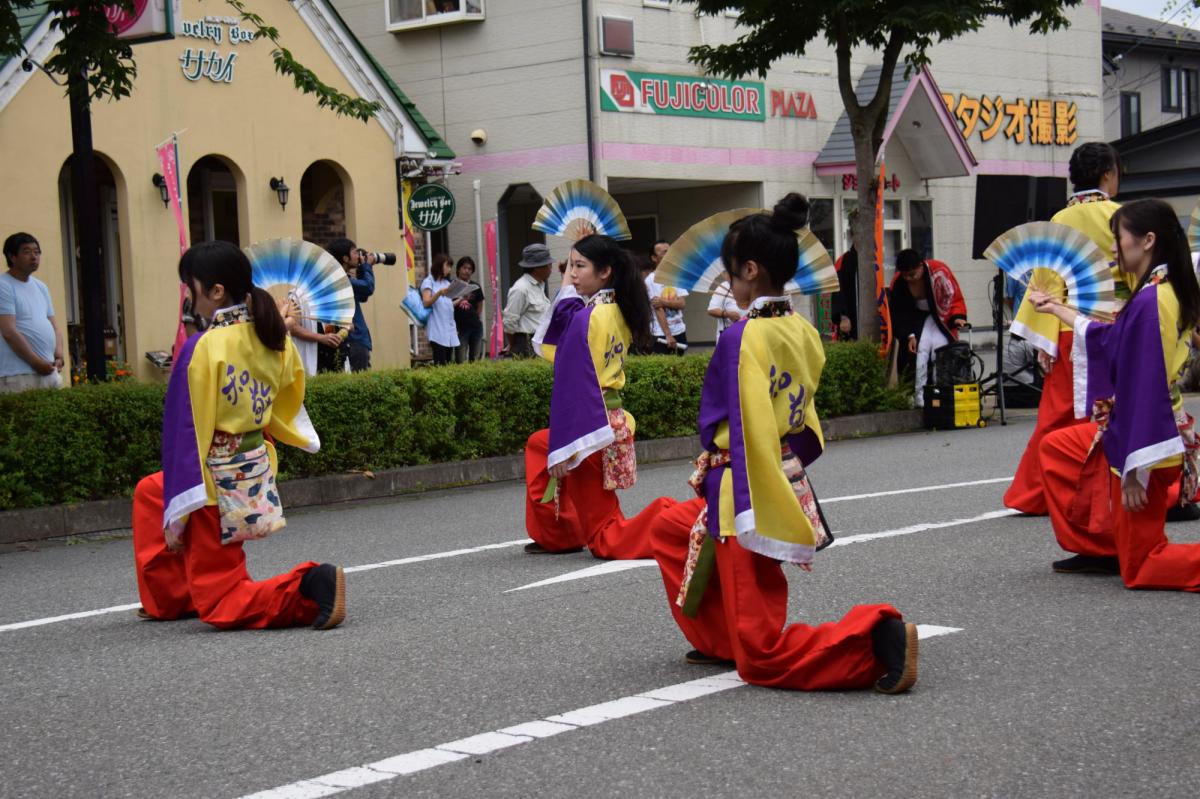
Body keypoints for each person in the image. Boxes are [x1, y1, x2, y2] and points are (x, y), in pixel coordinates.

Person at [647, 194, 918, 693]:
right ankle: (721, 639)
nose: (728, 284)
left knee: (763, 658)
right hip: (777, 466)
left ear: (750, 270)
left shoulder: (742, 338)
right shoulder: (802, 329)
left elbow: (747, 426)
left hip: (746, 482)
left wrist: (752, 503)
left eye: (731, 274)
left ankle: (873, 638)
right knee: (669, 528)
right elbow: (802, 416)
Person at [131, 241, 345, 630]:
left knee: (224, 602)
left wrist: (177, 517)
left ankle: (308, 587)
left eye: (189, 287)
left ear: (215, 291)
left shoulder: (203, 347)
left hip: (212, 482)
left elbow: (186, 435)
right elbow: (287, 406)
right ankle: (172, 598)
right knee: (150, 492)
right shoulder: (274, 341)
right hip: (251, 467)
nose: (188, 297)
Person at [1032, 198, 1200, 590]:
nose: (1111, 246)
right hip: (1154, 430)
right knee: (1057, 448)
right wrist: (1057, 309)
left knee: (1143, 566)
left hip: (1151, 440)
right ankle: (1105, 546)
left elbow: (1146, 388)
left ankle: (1121, 549)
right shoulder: (1160, 289)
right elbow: (1107, 339)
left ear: (1146, 241)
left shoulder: (1152, 300)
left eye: (1117, 236)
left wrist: (1134, 470)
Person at [523, 234, 677, 558]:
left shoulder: (588, 317)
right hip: (609, 416)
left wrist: (566, 448)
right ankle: (561, 532)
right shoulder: (614, 308)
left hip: (591, 423)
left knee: (606, 539)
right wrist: (575, 255)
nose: (573, 273)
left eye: (580, 266)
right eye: (571, 266)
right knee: (540, 444)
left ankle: (677, 521)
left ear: (605, 271)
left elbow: (573, 385)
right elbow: (566, 315)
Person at [1004, 142, 1132, 515]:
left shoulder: (1059, 220)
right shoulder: (1124, 216)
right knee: (1117, 410)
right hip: (1116, 323)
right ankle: (1109, 488)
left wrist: (1043, 341)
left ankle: (1034, 494)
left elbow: (1046, 285)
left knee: (1057, 414)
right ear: (1108, 174)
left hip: (1066, 327)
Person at [887, 249, 968, 407]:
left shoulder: (939, 271)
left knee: (940, 350)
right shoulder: (898, 283)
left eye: (913, 274)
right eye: (906, 275)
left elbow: (954, 295)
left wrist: (958, 316)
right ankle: (919, 397)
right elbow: (899, 313)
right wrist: (909, 335)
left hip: (941, 318)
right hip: (916, 320)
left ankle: (943, 394)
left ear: (921, 265)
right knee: (921, 351)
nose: (910, 279)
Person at [0, 233, 64, 393]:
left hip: (48, 372)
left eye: (37, 252)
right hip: (18, 374)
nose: (34, 256)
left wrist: (59, 354)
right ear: (12, 256)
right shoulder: (3, 285)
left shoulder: (41, 287)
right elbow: (8, 331)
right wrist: (35, 362)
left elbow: (54, 326)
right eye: (27, 252)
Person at [318, 239, 375, 373]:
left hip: (353, 339)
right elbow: (368, 287)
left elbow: (363, 296)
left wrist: (362, 270)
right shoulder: (340, 280)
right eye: (355, 252)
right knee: (361, 382)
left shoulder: (341, 278)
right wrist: (367, 267)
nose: (358, 255)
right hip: (353, 339)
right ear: (345, 258)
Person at [503, 243, 552, 358]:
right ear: (537, 267)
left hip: (541, 341)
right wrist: (512, 344)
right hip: (526, 343)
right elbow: (509, 321)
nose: (551, 267)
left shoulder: (539, 285)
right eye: (548, 264)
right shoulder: (521, 288)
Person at [279, 293, 343, 377]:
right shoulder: (297, 296)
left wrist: (344, 330)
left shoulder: (333, 294)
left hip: (335, 356)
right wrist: (321, 338)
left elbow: (348, 323)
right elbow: (292, 327)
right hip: (313, 357)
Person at [645, 239, 689, 354]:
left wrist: (664, 302)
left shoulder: (676, 276)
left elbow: (682, 303)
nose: (668, 255)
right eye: (664, 252)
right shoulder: (650, 280)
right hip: (661, 334)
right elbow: (658, 309)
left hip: (679, 330)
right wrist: (668, 335)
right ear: (654, 258)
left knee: (681, 367)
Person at [421, 253, 460, 365]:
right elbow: (426, 303)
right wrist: (439, 293)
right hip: (437, 329)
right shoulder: (428, 282)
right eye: (447, 265)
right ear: (439, 265)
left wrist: (461, 299)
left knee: (448, 362)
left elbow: (447, 305)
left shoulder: (447, 283)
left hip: (448, 329)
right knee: (440, 363)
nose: (449, 269)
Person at [452, 256, 485, 363]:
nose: (467, 271)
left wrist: (477, 317)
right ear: (458, 269)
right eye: (464, 268)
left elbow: (480, 303)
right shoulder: (452, 286)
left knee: (475, 358)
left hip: (476, 327)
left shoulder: (476, 286)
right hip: (460, 328)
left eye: (470, 269)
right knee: (460, 359)